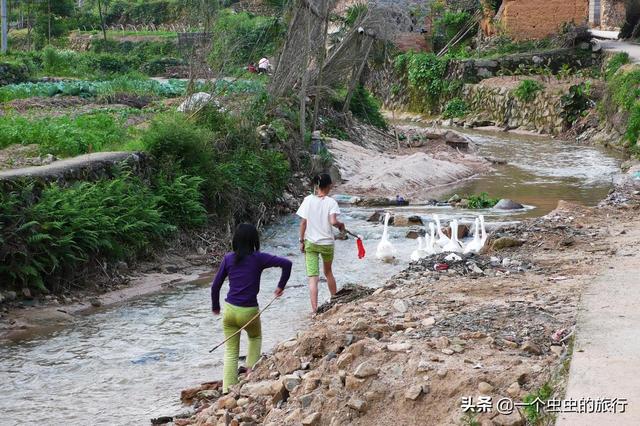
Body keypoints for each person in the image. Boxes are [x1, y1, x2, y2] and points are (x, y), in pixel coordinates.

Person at [211, 223, 292, 394]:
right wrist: (280, 286)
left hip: (230, 311)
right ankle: (250, 373)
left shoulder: (228, 258)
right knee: (255, 337)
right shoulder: (259, 258)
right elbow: (287, 264)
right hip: (249, 312)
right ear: (254, 240)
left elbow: (215, 286)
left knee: (231, 351)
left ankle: (227, 389)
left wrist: (216, 306)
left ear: (235, 241)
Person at [296, 173, 345, 313]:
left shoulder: (307, 200)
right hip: (327, 244)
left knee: (313, 277)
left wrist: (301, 241)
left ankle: (314, 310)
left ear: (316, 185)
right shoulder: (331, 202)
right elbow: (333, 222)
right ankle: (335, 301)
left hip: (310, 243)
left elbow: (303, 223)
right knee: (328, 272)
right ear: (329, 186)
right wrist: (341, 226)